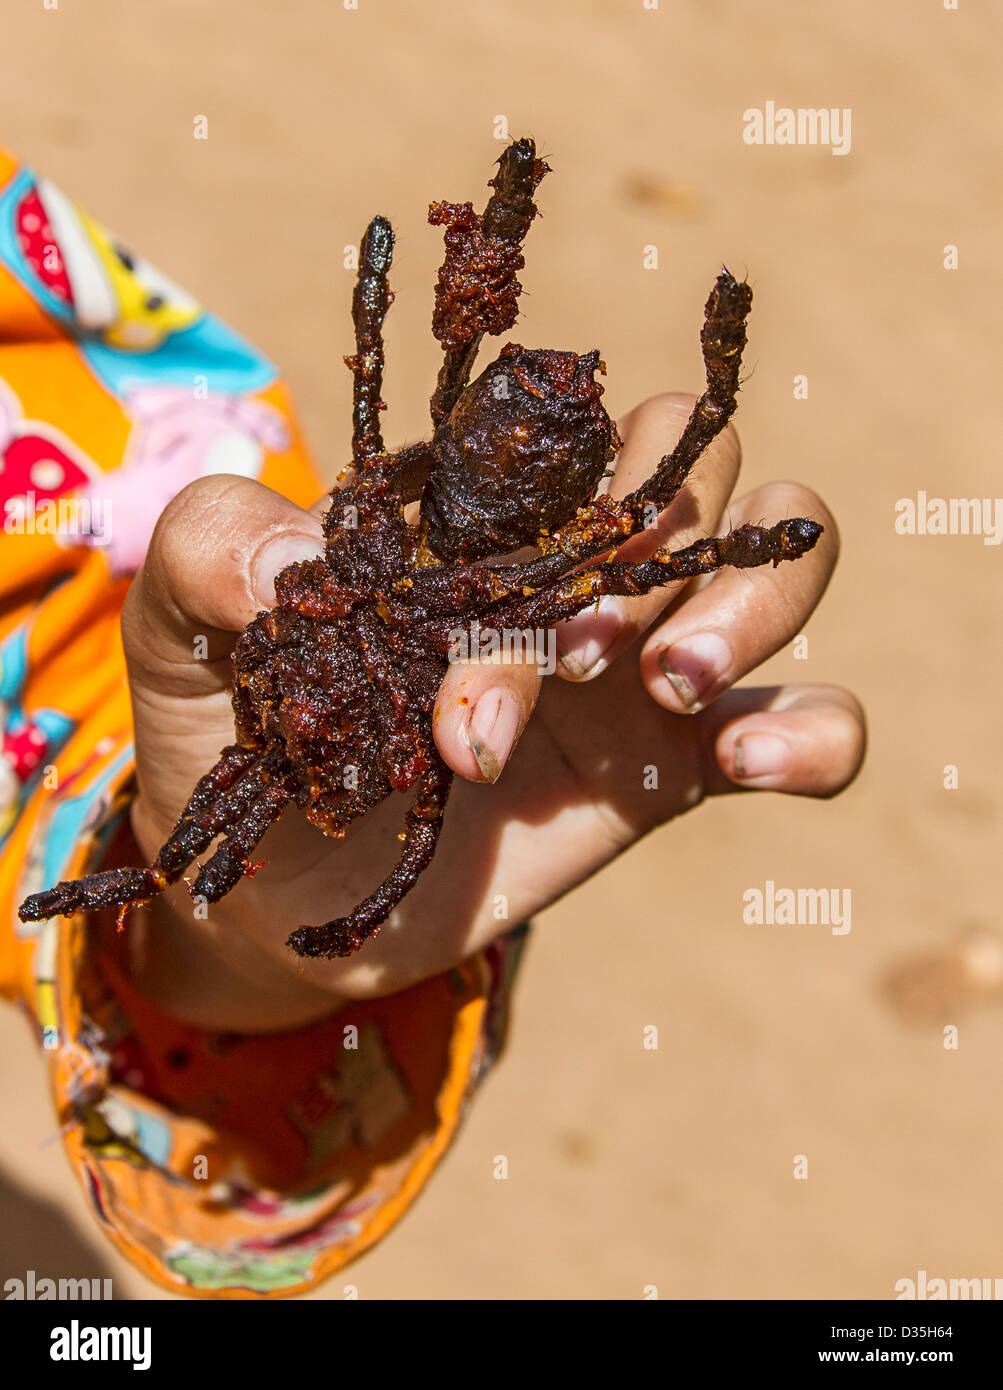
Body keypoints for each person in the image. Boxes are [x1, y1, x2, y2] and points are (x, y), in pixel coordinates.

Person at [0, 148, 864, 1297]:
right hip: (464, 561)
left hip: (464, 552)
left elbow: (579, 507)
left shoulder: (321, 548)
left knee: (622, 532)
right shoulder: (387, 614)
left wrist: (255, 952)